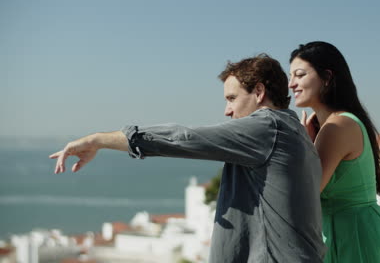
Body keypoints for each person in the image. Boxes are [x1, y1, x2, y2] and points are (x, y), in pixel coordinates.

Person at [50, 54, 326, 262]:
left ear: (259, 92)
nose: (227, 111)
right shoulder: (293, 130)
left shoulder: (267, 128)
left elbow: (184, 138)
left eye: (231, 98)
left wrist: (98, 140)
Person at [288, 41, 380, 262]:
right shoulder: (340, 123)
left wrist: (304, 146)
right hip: (360, 234)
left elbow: (304, 195)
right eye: (291, 76)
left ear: (326, 77)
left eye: (299, 75)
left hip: (354, 241)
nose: (291, 84)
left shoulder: (336, 128)